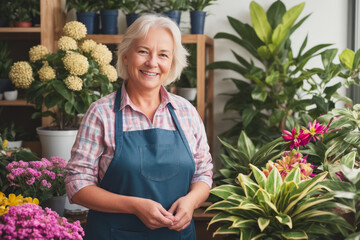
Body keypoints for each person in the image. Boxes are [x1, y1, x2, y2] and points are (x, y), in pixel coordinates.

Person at [65, 14, 213, 240]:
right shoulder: (101, 113)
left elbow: (204, 172)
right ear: (125, 55)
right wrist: (134, 206)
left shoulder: (187, 112)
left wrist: (191, 202)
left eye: (163, 55)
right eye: (143, 51)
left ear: (172, 62)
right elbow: (77, 184)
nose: (152, 62)